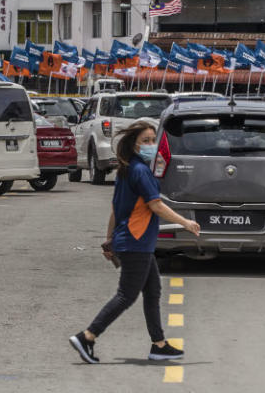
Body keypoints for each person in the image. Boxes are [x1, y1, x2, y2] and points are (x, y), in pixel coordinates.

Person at [69, 120, 201, 364]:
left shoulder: (127, 169)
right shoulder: (140, 171)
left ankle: (159, 345)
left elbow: (115, 210)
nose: (151, 144)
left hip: (133, 241)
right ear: (134, 145)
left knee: (152, 291)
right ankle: (87, 336)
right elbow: (156, 205)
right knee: (126, 296)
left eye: (153, 140)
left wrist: (109, 239)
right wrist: (186, 223)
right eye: (146, 141)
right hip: (135, 242)